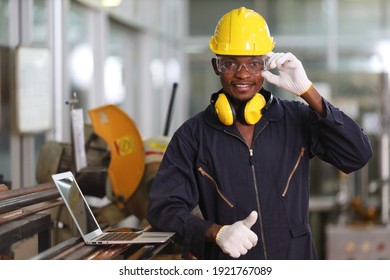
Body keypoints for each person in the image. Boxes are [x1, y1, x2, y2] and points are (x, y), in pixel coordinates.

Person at [147, 7, 372, 260]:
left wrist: (308, 92)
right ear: (216, 66)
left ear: (266, 65)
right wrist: (214, 232)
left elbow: (358, 155)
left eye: (254, 64)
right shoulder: (193, 135)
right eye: (230, 63)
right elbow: (163, 210)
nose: (242, 74)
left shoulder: (296, 118)